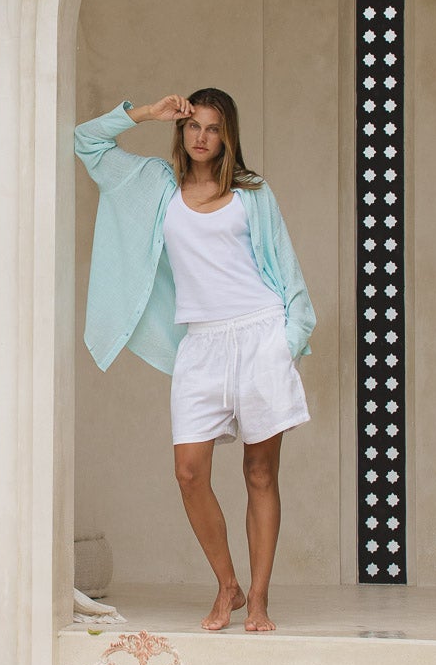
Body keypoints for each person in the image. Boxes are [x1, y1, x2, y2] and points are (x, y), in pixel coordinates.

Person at [75, 91, 315, 633]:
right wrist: (146, 113)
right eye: (192, 126)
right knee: (189, 473)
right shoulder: (159, 188)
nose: (200, 136)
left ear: (227, 134)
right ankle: (226, 583)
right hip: (201, 346)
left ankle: (257, 598)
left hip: (259, 335)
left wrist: (286, 341)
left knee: (259, 473)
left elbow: (287, 268)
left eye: (212, 127)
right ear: (181, 132)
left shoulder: (251, 192)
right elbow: (85, 142)